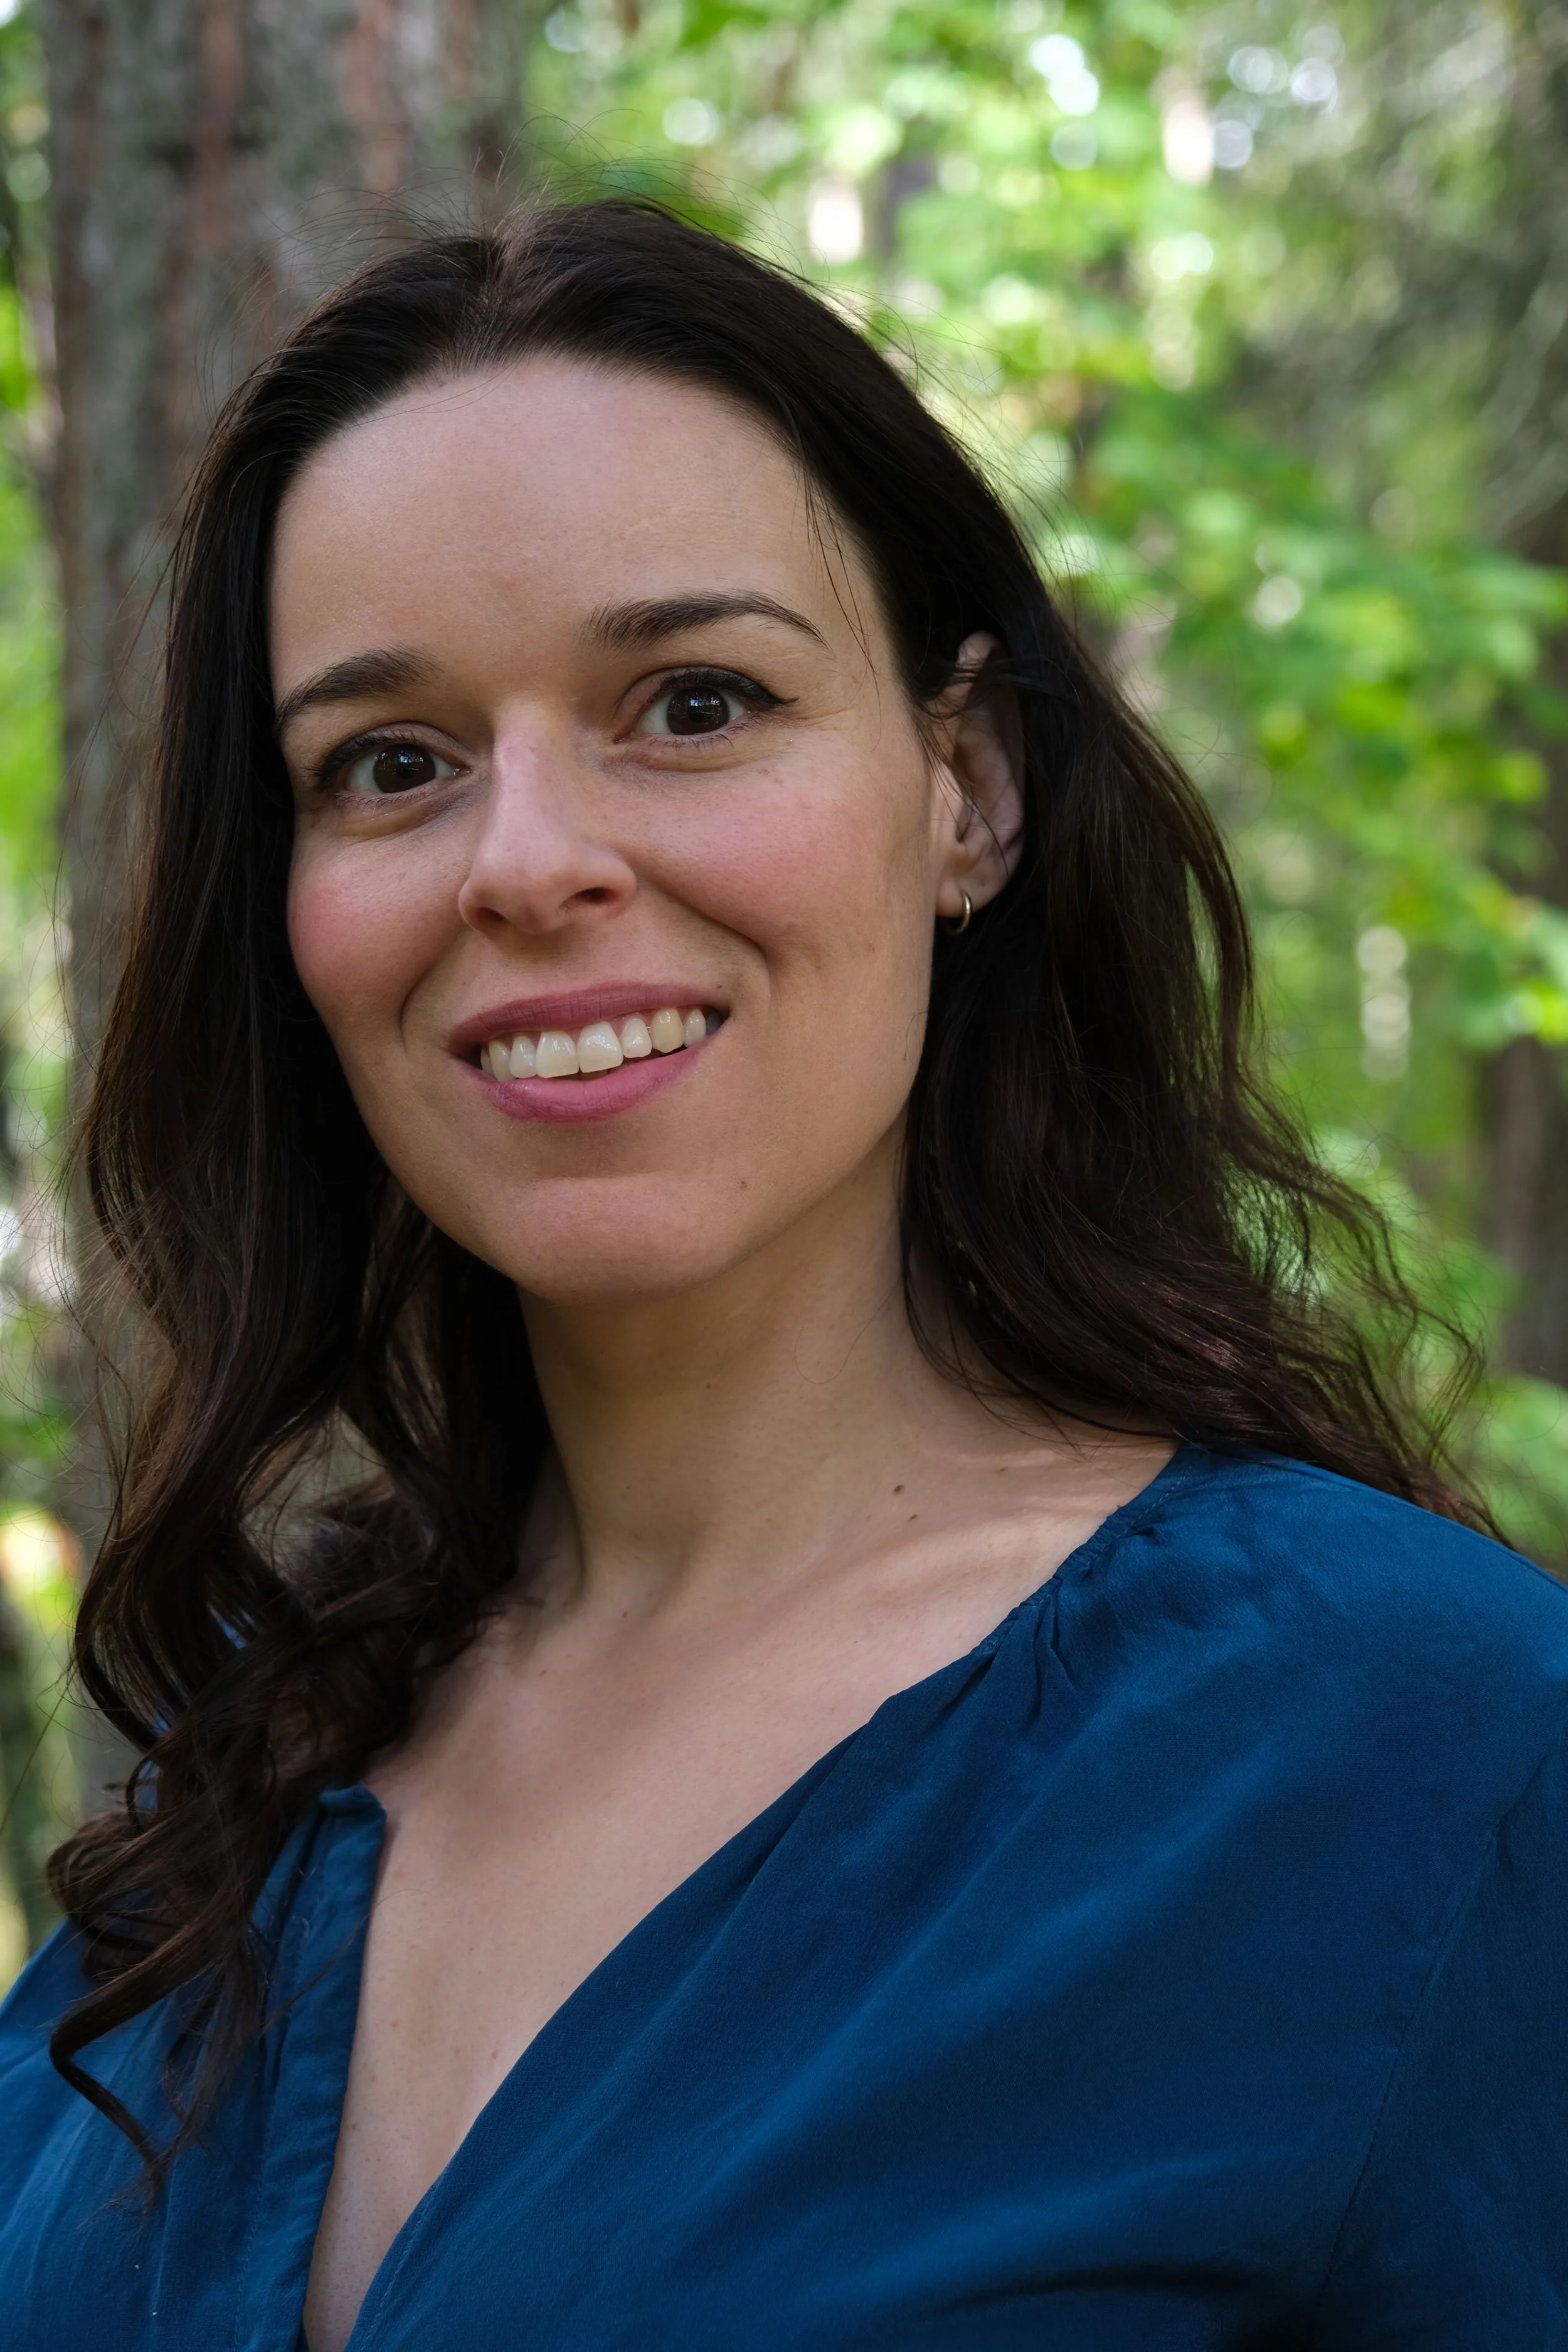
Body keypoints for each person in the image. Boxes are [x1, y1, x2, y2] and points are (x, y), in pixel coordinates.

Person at [1, 199, 1564, 2351]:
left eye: (694, 701)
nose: (527, 855)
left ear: (967, 788)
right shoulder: (231, 1771)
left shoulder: (1412, 1736)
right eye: (392, 761)